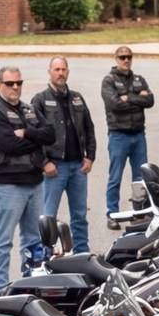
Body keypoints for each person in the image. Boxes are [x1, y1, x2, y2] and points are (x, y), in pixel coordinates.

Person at [0, 67, 53, 292]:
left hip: (35, 181)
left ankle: (30, 284)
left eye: (18, 83)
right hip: (9, 184)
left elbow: (50, 134)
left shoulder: (29, 108)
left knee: (34, 239)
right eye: (10, 83)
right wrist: (36, 138)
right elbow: (10, 145)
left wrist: (27, 133)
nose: (15, 87)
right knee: (3, 241)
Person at [32, 55, 96, 253]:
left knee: (79, 215)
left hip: (78, 167)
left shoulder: (77, 98)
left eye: (63, 69)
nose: (60, 73)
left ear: (68, 72)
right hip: (55, 168)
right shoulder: (40, 100)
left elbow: (89, 128)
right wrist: (44, 163)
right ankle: (46, 255)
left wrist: (90, 157)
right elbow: (33, 136)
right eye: (57, 69)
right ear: (49, 72)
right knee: (48, 217)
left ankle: (82, 253)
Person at [101, 46, 156, 218]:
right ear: (116, 59)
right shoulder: (109, 81)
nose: (126, 60)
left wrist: (129, 98)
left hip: (139, 135)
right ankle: (112, 213)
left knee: (141, 178)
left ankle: (140, 212)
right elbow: (114, 104)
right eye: (122, 57)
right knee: (115, 177)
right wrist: (138, 99)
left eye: (129, 57)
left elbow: (150, 100)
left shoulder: (139, 79)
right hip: (118, 135)